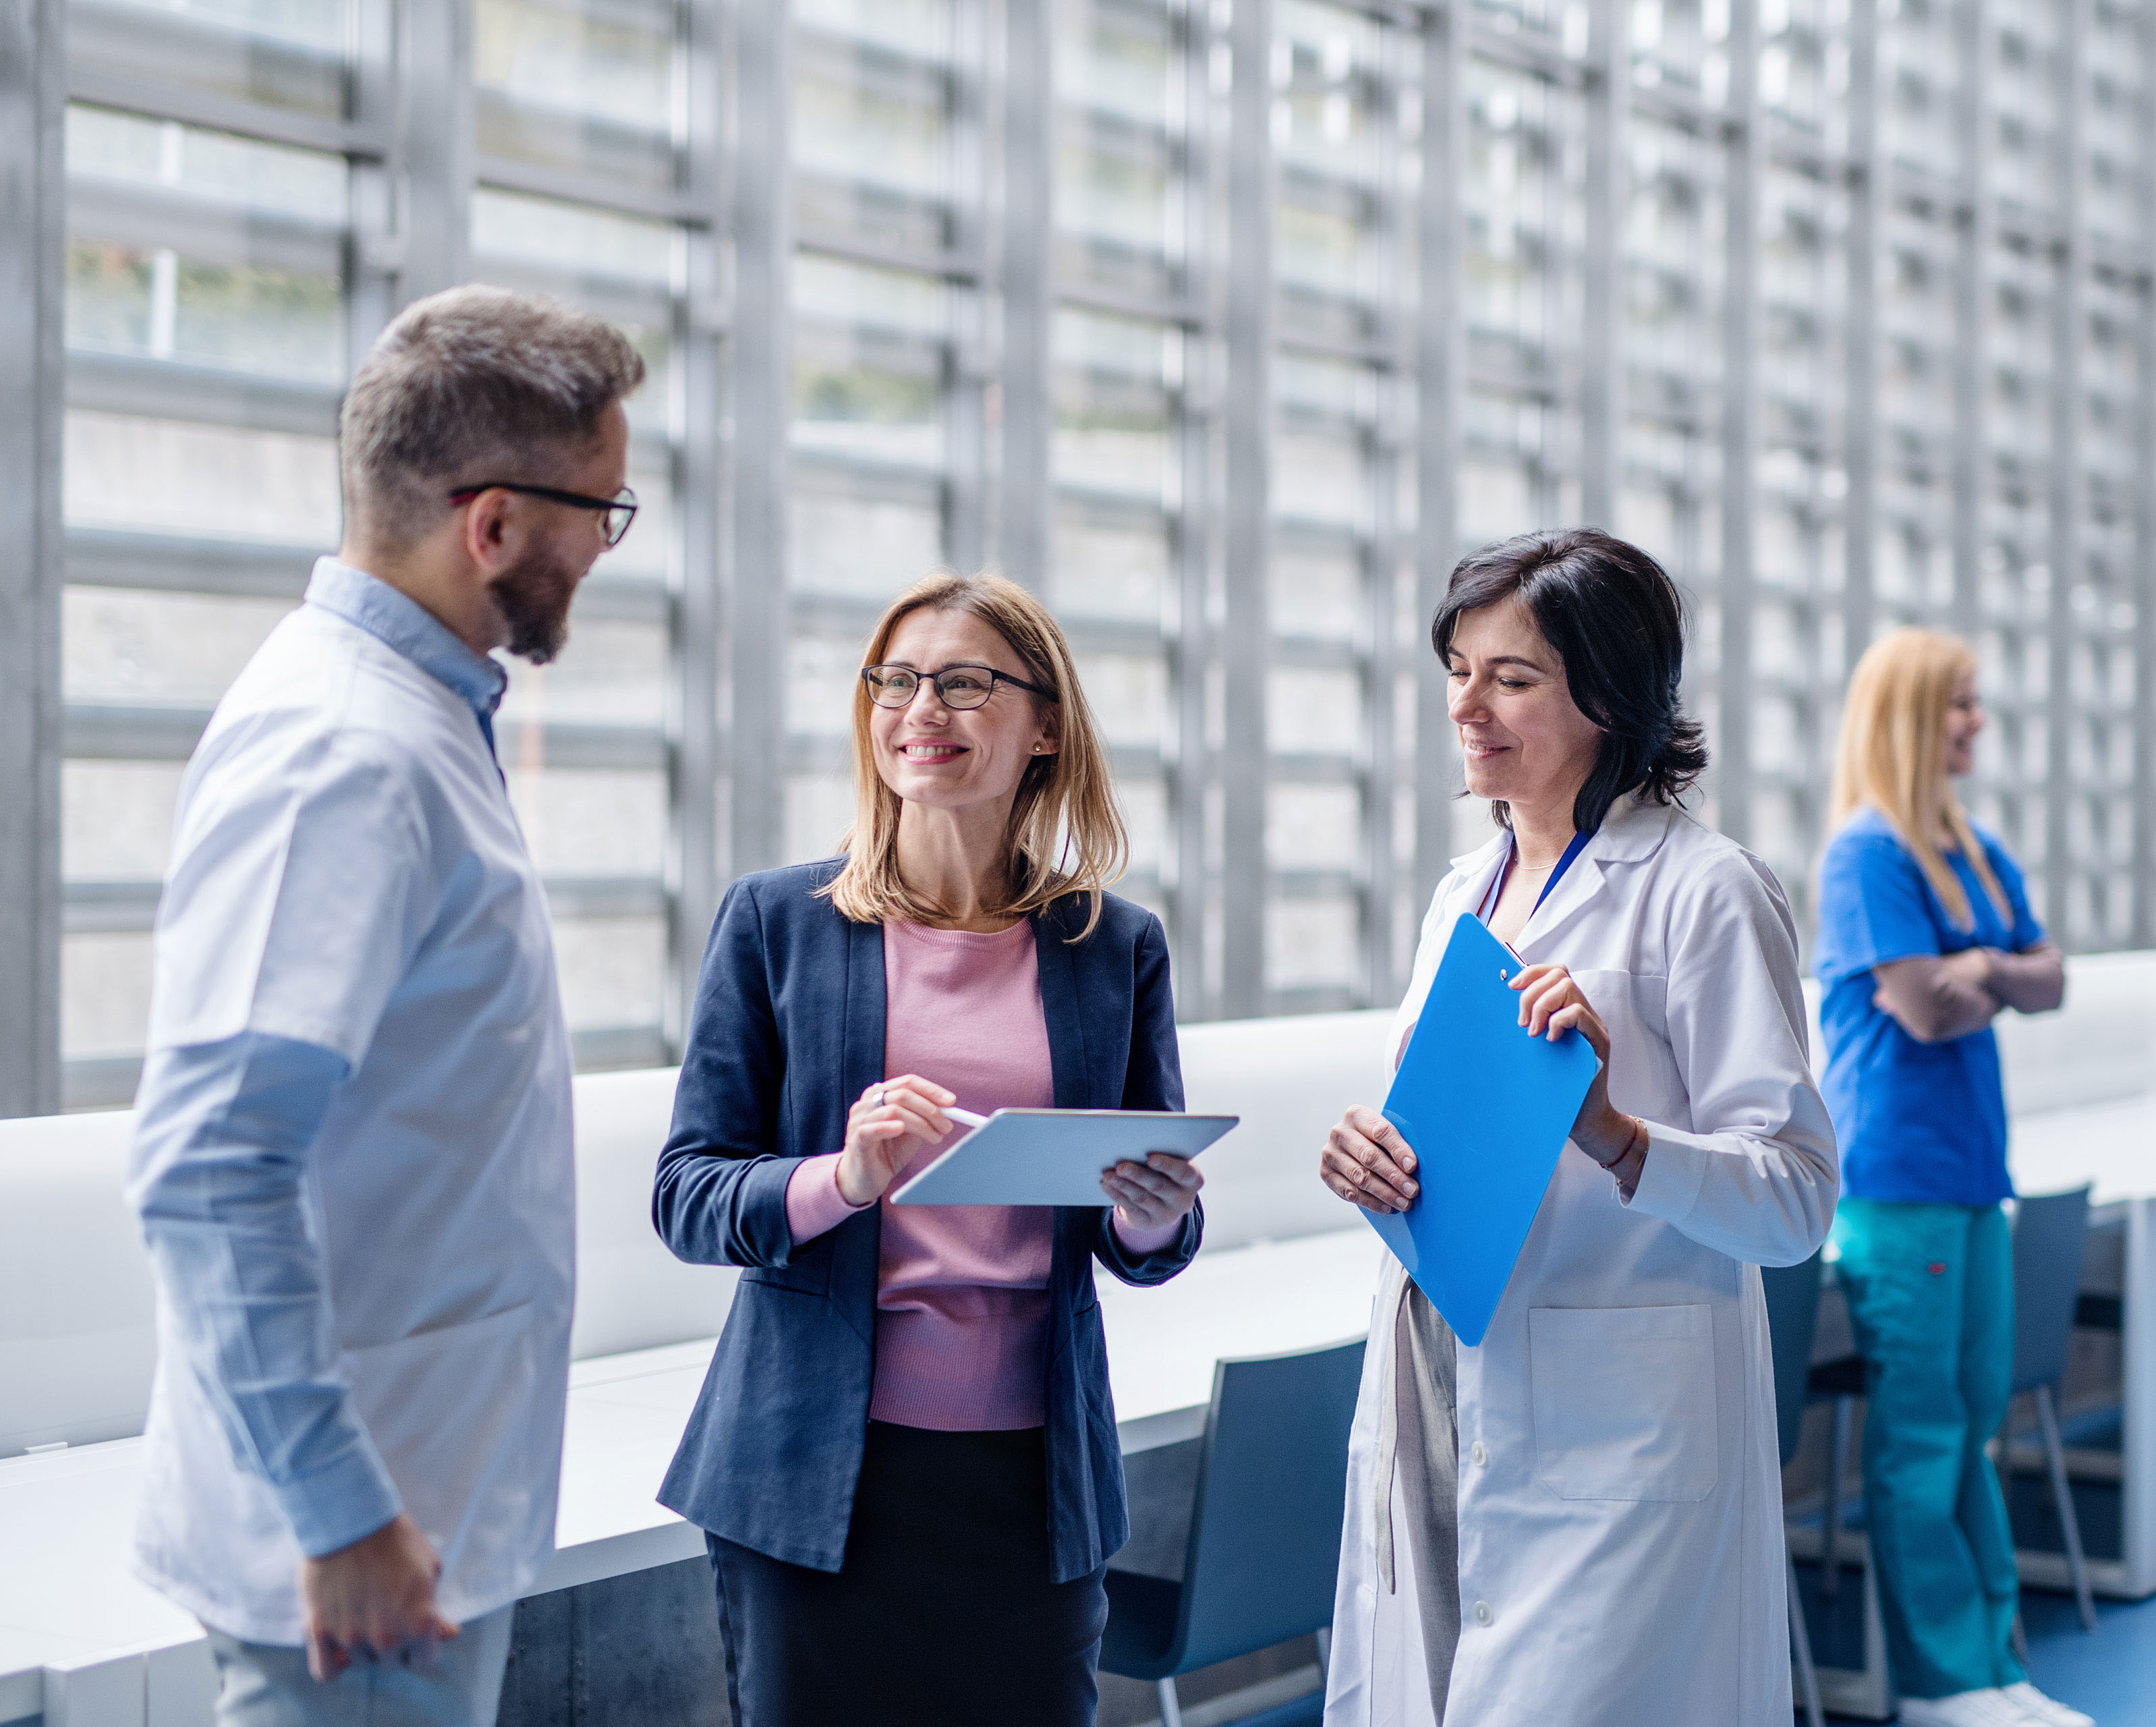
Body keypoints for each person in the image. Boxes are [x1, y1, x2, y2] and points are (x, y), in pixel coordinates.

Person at [123, 285, 645, 1727]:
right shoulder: (344, 753)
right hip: (355, 1568)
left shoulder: (417, 720)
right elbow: (208, 1168)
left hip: (416, 1518)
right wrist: (341, 1507)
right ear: (492, 525)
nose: (604, 550)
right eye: (600, 513)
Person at [650, 571, 1205, 1727]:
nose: (921, 710)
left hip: (1029, 1488)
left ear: (1045, 725)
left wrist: (1151, 1213)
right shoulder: (778, 922)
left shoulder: (1115, 946)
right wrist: (842, 1179)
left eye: (963, 682)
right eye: (896, 682)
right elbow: (688, 1194)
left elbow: (1149, 1233)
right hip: (813, 1482)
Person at [1312, 528, 1841, 1726]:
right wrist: (1371, 1161)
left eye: (1513, 677)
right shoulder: (1465, 893)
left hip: (1622, 1423)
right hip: (1442, 1379)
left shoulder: (1705, 890)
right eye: (1459, 669)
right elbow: (1449, 1141)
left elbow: (1799, 1198)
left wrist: (1615, 1133)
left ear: (1610, 694)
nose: (1469, 706)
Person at [1811, 629, 2081, 1727]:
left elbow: (2054, 979)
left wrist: (1976, 970)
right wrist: (1984, 973)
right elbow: (1923, 1009)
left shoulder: (1966, 846)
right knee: (1921, 1434)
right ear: (1913, 717)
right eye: (1961, 705)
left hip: (1972, 1177)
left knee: (1973, 1421)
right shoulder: (1865, 854)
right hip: (1896, 1180)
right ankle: (1940, 1682)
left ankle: (1996, 1666)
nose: (1977, 723)